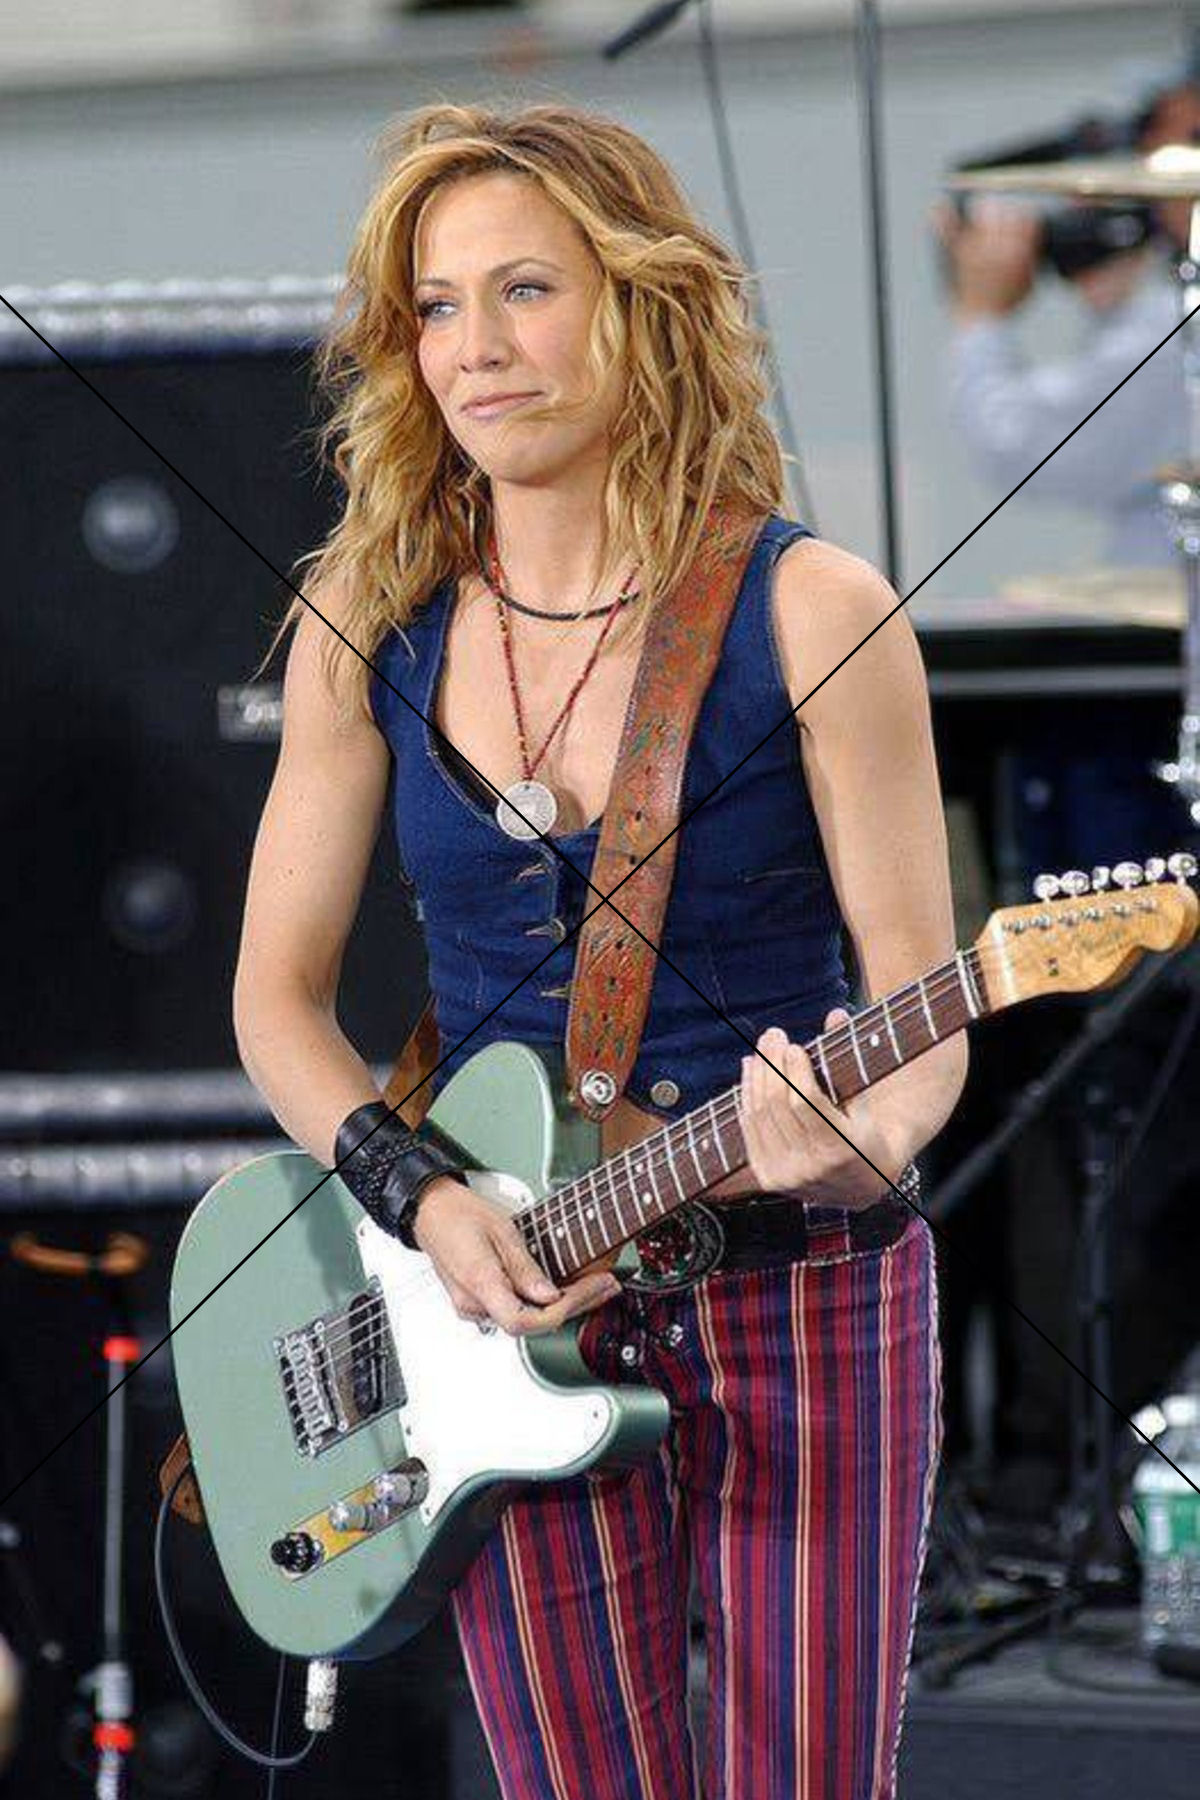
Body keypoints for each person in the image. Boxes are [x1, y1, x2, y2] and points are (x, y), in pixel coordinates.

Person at [233, 102, 967, 1800]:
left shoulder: (815, 608)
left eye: (527, 290)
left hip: (800, 1288)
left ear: (643, 305)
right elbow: (276, 1003)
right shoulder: (368, 627)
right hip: (507, 1318)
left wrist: (863, 1142)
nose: (476, 349)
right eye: (437, 306)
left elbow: (924, 1007)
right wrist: (424, 1201)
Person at [935, 77, 1200, 566]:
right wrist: (1115, 307)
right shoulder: (1163, 323)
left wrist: (981, 316)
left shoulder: (1173, 330)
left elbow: (1023, 447)